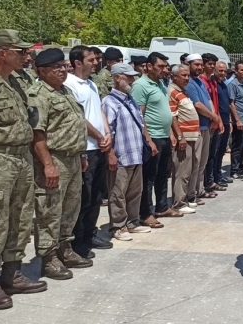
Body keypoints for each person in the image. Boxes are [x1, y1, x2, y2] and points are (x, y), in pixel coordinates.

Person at [29, 48, 91, 280]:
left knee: (70, 208)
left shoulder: (64, 91)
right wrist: (47, 164)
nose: (62, 71)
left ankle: (65, 248)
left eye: (64, 66)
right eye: (56, 68)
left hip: (73, 157)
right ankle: (48, 257)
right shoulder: (38, 94)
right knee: (49, 210)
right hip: (54, 159)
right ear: (43, 71)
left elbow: (75, 125)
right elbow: (37, 134)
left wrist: (81, 155)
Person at [0, 30, 46, 309]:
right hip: (0, 158)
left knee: (21, 216)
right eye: (21, 51)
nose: (26, 56)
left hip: (21, 158)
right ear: (3, 52)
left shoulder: (16, 82)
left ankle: (12, 274)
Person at [64, 46, 114, 259]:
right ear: (77, 62)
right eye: (91, 59)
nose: (95, 62)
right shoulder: (69, 85)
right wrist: (98, 135)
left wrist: (107, 132)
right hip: (86, 148)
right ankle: (78, 240)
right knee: (84, 197)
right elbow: (79, 118)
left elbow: (98, 110)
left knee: (96, 196)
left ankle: (90, 232)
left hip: (99, 146)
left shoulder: (91, 83)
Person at [102, 63, 152, 241]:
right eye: (128, 76)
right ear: (117, 78)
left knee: (134, 192)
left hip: (135, 154)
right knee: (118, 193)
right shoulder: (109, 102)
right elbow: (108, 130)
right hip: (121, 155)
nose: (132, 80)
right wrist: (111, 154)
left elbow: (140, 122)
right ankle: (118, 225)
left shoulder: (130, 99)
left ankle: (132, 222)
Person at [130, 52, 178, 229]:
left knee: (163, 174)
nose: (164, 70)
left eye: (165, 67)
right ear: (149, 66)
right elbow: (138, 115)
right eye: (160, 67)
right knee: (148, 177)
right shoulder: (140, 86)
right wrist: (148, 139)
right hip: (152, 137)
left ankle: (162, 207)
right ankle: (145, 213)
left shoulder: (160, 84)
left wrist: (171, 133)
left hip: (164, 135)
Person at [185, 54, 223, 200]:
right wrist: (213, 116)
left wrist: (214, 116)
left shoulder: (200, 82)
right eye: (196, 65)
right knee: (195, 162)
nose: (199, 67)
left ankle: (199, 190)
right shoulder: (189, 83)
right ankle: (192, 193)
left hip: (206, 125)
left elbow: (208, 100)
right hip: (197, 127)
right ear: (188, 65)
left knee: (203, 161)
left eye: (201, 65)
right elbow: (198, 105)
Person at [168, 64, 200, 214]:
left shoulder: (183, 92)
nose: (187, 78)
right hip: (184, 138)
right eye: (183, 75)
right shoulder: (172, 92)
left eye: (188, 75)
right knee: (182, 171)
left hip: (192, 136)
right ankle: (179, 202)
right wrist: (180, 136)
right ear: (174, 76)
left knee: (189, 169)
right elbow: (173, 117)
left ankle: (185, 198)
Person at [200, 54, 226, 194]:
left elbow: (216, 104)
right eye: (209, 64)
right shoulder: (202, 81)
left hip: (215, 122)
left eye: (213, 64)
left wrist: (219, 120)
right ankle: (205, 184)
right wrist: (212, 119)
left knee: (213, 155)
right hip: (208, 123)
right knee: (206, 156)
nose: (212, 66)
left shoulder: (213, 82)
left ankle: (210, 181)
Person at [228, 61, 243, 180]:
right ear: (236, 71)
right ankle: (234, 170)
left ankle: (242, 167)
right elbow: (231, 103)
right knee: (237, 146)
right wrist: (237, 120)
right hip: (240, 120)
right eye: (241, 70)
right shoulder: (233, 84)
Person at [210, 61, 233, 187]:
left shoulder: (224, 85)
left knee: (222, 151)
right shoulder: (213, 84)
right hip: (217, 123)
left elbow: (227, 104)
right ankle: (213, 177)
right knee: (215, 152)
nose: (223, 73)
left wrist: (229, 121)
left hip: (225, 122)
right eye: (220, 71)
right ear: (215, 70)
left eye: (224, 71)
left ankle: (218, 175)